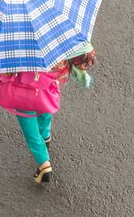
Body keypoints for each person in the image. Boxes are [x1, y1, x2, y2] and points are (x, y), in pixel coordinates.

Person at [9, 43, 96, 184]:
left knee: (28, 121)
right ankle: (45, 135)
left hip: (26, 88)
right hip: (50, 85)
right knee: (45, 106)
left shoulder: (23, 42)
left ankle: (43, 162)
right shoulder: (63, 41)